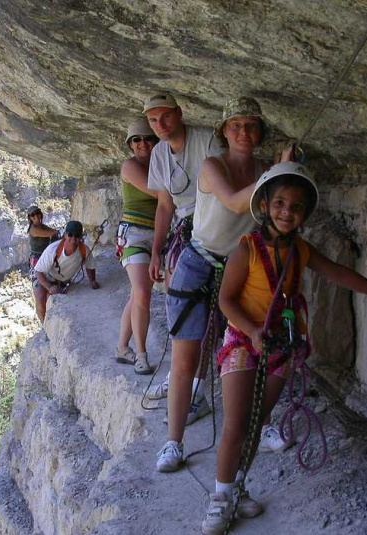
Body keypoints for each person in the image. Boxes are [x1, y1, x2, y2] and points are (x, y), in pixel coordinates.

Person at [200, 162, 367, 534]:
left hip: (282, 343)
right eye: (280, 203)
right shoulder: (247, 248)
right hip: (244, 339)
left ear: (304, 214)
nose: (288, 211)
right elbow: (226, 300)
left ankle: (236, 487)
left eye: (296, 206)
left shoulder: (300, 249)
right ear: (264, 206)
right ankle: (220, 497)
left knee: (256, 423)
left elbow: (337, 272)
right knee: (237, 423)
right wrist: (252, 331)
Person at [156, 97, 276, 473]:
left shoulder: (266, 170)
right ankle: (173, 442)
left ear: (260, 133)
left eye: (251, 125)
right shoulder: (212, 166)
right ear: (224, 131)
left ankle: (261, 423)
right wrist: (279, 172)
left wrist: (283, 172)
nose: (244, 132)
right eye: (236, 125)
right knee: (186, 359)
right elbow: (238, 203)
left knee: (247, 354)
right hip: (200, 262)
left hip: (242, 268)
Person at [144, 91, 223, 423]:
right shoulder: (160, 154)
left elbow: (221, 189)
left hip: (214, 228)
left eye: (166, 116)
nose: (160, 125)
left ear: (179, 113)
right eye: (153, 120)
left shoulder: (207, 141)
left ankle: (196, 386)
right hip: (184, 230)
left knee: (207, 309)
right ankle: (184, 376)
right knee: (181, 304)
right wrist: (156, 250)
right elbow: (165, 205)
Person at [116, 118, 159, 375]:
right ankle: (141, 355)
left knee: (137, 294)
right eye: (137, 139)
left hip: (157, 235)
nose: (143, 143)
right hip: (133, 234)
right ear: (131, 145)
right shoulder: (129, 166)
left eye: (148, 138)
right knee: (143, 292)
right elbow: (157, 192)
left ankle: (122, 348)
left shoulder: (160, 163)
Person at [33, 220, 100, 322]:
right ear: (65, 235)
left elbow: (90, 266)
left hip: (62, 281)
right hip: (45, 276)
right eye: (70, 234)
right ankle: (44, 328)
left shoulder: (84, 250)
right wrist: (49, 286)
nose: (73, 238)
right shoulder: (53, 250)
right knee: (41, 300)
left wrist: (93, 281)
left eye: (77, 235)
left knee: (50, 301)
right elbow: (38, 272)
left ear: (81, 237)